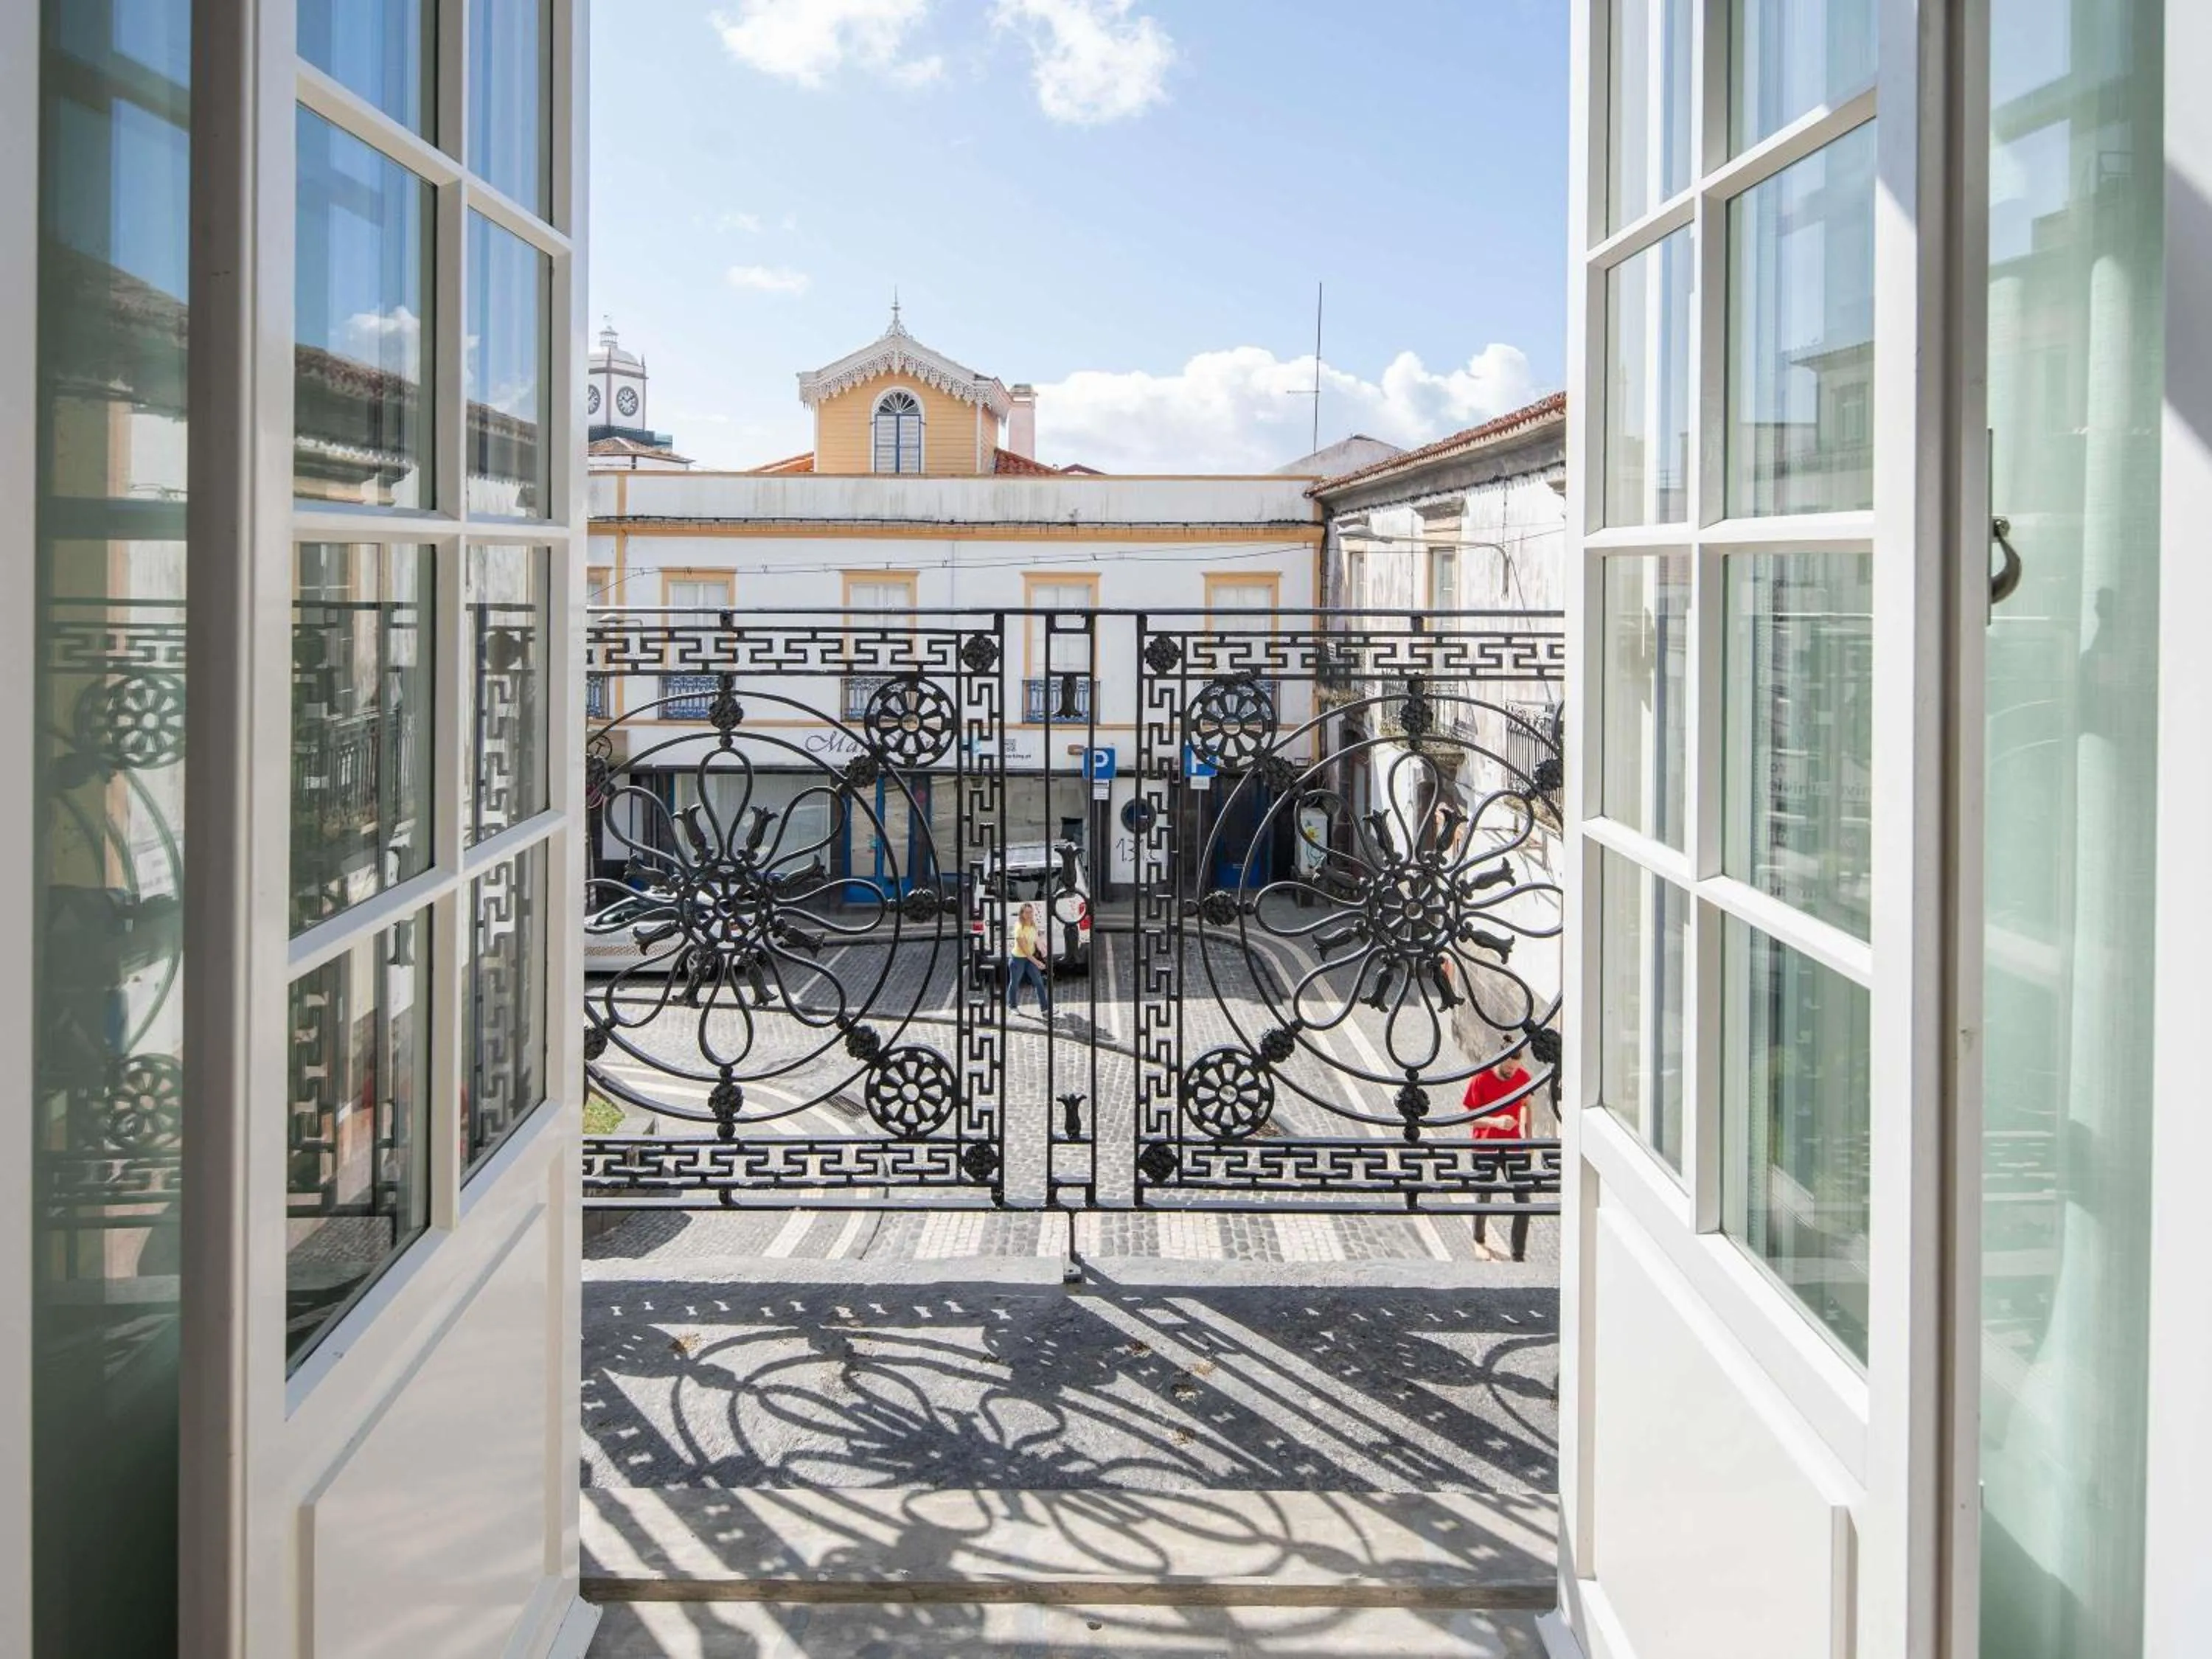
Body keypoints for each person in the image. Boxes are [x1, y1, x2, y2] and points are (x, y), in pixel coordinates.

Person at [1464, 1047, 1535, 1259]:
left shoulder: (1523, 1077)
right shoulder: (1481, 1079)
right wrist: (1495, 1122)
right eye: (1507, 1068)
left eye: (1515, 1068)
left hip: (1514, 1145)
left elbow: (1528, 1105)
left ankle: (1518, 1254)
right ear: (1499, 1061)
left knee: (1524, 1202)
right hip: (1484, 1145)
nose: (1511, 1072)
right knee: (1483, 1195)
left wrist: (1529, 1137)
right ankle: (1479, 1241)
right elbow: (1467, 1116)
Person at [1006, 902, 1053, 1018]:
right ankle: (1012, 1006)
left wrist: (1044, 952)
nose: (1029, 914)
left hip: (1030, 958)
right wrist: (1037, 962)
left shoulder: (1032, 924)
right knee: (1015, 983)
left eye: (1031, 912)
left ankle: (1045, 1009)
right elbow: (1025, 951)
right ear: (1021, 914)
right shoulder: (1018, 928)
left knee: (1039, 983)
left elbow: (1035, 939)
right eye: (1026, 912)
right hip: (1018, 959)